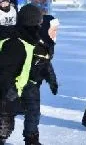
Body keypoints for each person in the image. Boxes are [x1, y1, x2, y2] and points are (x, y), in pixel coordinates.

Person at [0, 4, 43, 144]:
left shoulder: (27, 39)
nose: (41, 24)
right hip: (5, 91)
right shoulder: (16, 44)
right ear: (33, 22)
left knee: (6, 127)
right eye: (39, 21)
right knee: (4, 127)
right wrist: (9, 91)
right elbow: (5, 71)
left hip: (13, 89)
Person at [21, 15, 59, 145]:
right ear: (44, 29)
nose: (55, 33)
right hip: (22, 82)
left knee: (33, 112)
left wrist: (52, 81)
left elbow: (46, 64)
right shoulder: (33, 44)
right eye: (53, 30)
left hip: (33, 85)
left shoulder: (47, 43)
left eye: (56, 30)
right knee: (10, 111)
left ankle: (31, 139)